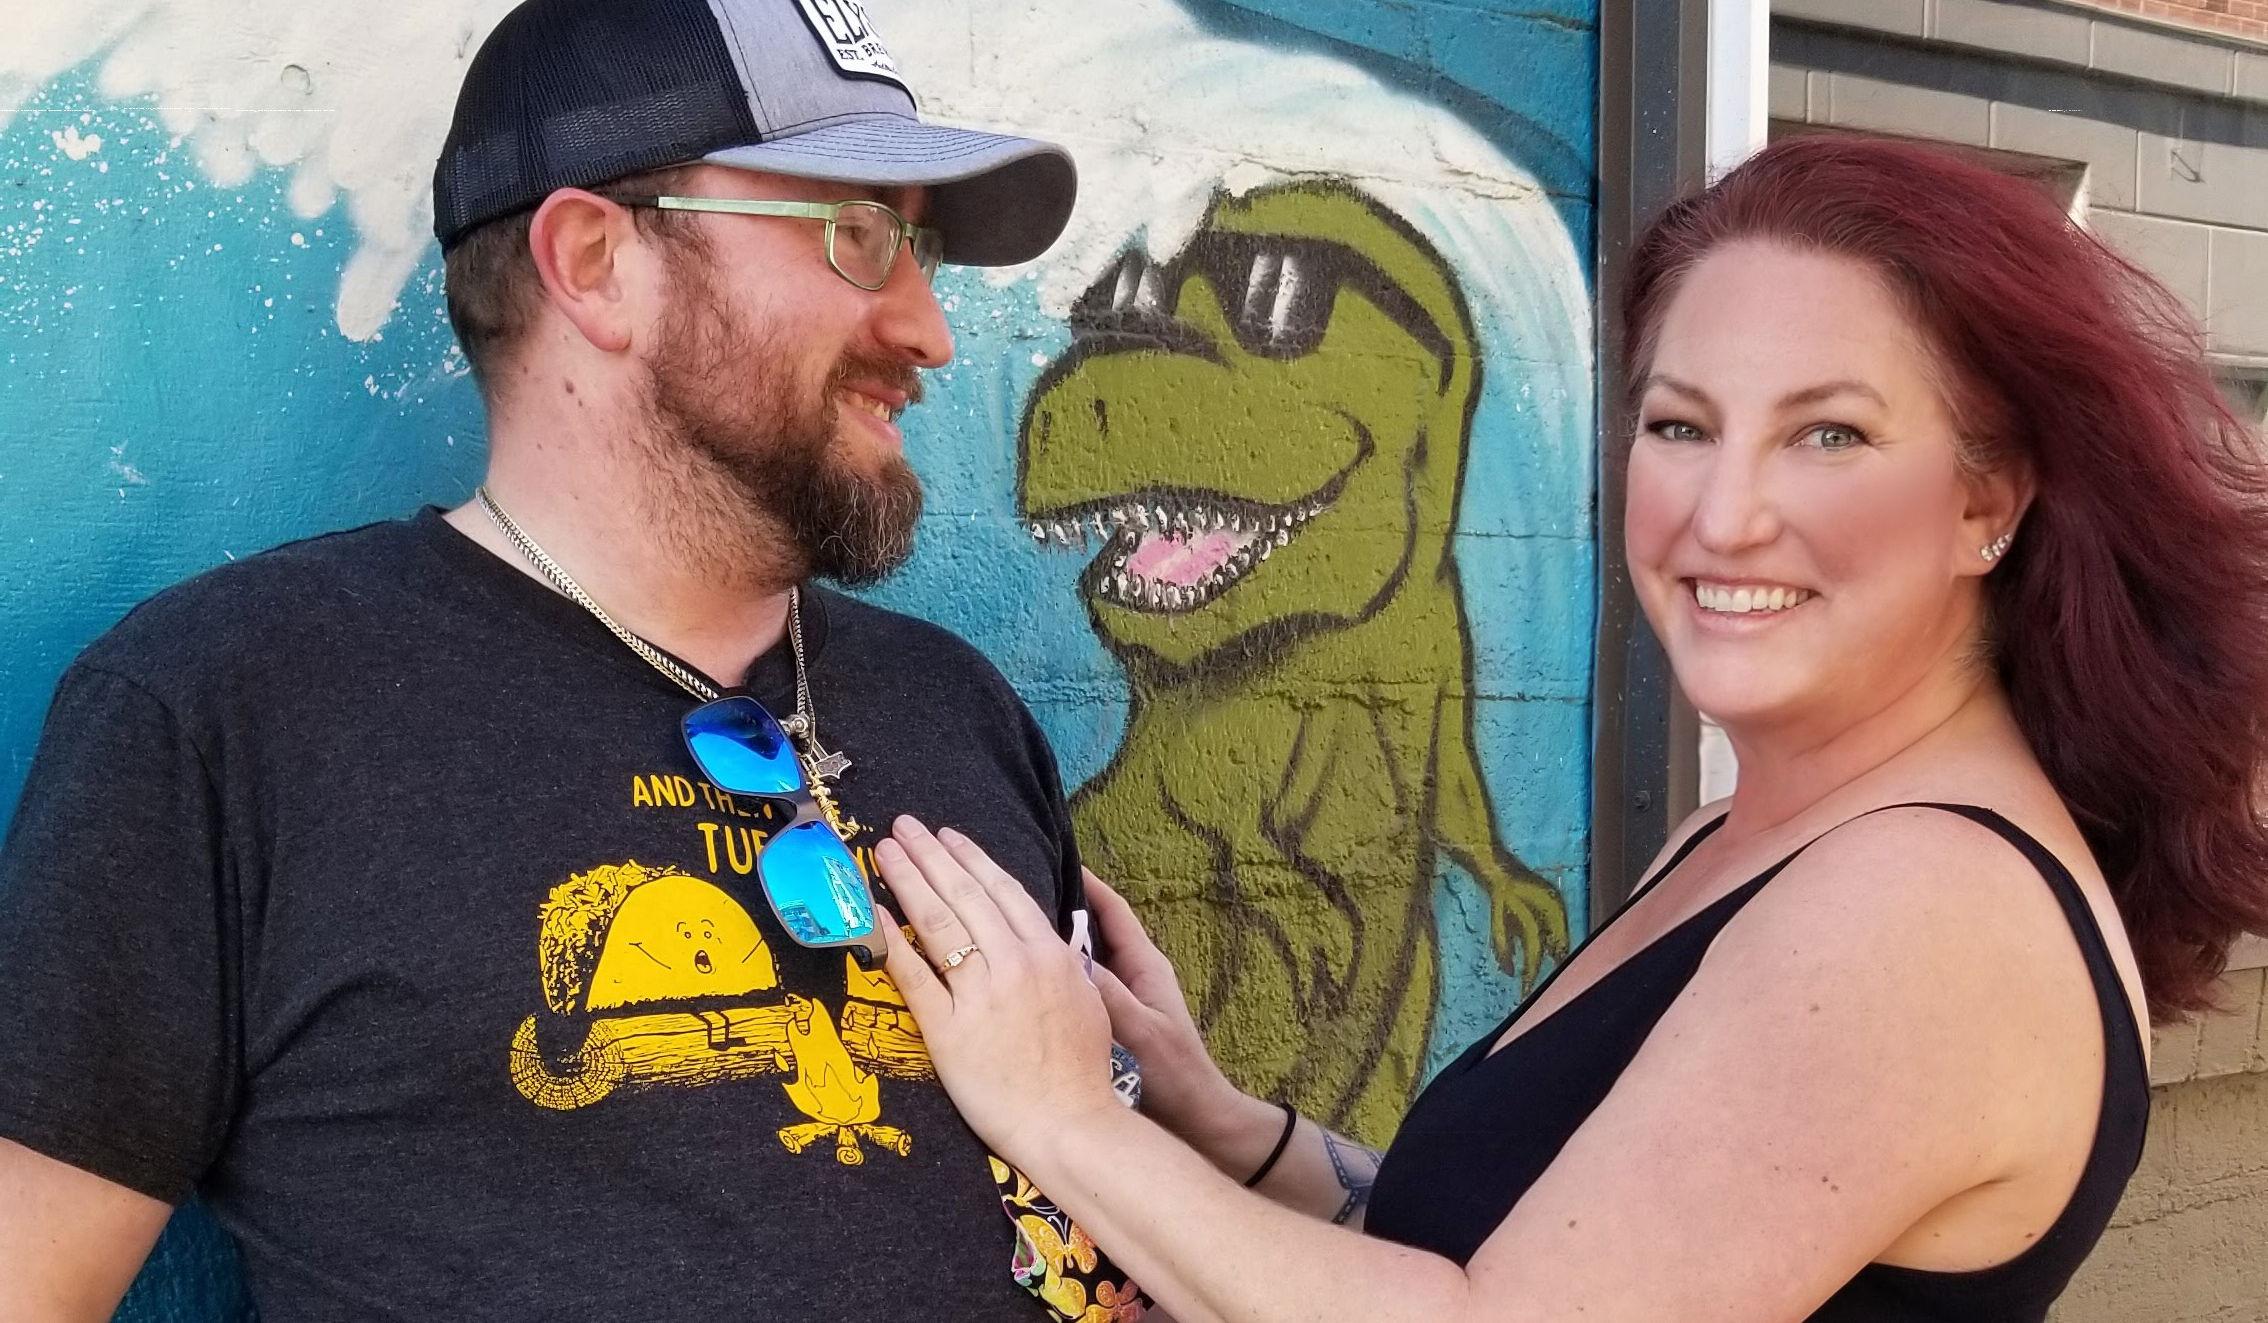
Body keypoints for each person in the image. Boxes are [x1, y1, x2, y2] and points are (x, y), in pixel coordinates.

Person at [865, 132, 2268, 1322]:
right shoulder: (1751, 838)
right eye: (1682, 427)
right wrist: (1228, 1124)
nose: (1724, 517)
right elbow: (1534, 1246)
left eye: (1829, 434)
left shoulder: (1926, 908)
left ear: (1985, 502)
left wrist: (1064, 1116)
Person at [0, 0, 1119, 1317]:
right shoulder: (228, 713)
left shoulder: (961, 707)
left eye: (919, 249)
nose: (932, 332)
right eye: (860, 234)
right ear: (594, 262)